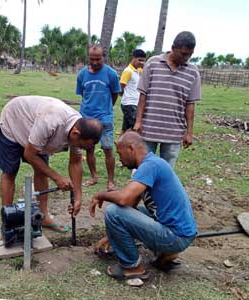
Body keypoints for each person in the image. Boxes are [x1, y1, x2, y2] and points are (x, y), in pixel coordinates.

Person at [89, 131, 197, 280]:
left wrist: (99, 195)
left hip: (175, 236)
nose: (120, 160)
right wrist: (110, 237)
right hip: (180, 232)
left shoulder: (150, 165)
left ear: (131, 149)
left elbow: (123, 199)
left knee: (113, 211)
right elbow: (130, 205)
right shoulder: (151, 164)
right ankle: (167, 254)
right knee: (124, 211)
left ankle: (132, 267)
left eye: (120, 154)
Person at [0, 95, 103, 232]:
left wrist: (78, 197)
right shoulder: (51, 121)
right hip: (14, 120)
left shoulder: (79, 130)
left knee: (41, 172)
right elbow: (29, 154)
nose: (81, 149)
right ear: (75, 134)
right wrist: (57, 177)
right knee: (10, 171)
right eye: (81, 146)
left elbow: (76, 162)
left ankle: (43, 217)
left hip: (37, 132)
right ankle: (8, 221)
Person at [133, 31, 201, 167]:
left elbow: (190, 104)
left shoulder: (193, 72)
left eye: (190, 54)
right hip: (149, 128)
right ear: (173, 48)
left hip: (174, 132)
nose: (186, 57)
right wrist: (138, 121)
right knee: (144, 167)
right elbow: (143, 95)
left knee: (166, 171)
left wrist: (189, 132)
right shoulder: (153, 63)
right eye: (183, 54)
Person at [76, 44, 121, 191]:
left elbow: (115, 94)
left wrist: (106, 108)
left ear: (104, 57)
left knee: (108, 149)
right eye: (92, 59)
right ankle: (94, 176)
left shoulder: (111, 74)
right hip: (86, 118)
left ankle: (110, 181)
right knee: (89, 148)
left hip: (104, 118)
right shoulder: (82, 74)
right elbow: (83, 94)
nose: (95, 62)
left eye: (98, 59)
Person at [119, 49, 146, 134]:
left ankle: (119, 142)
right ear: (133, 58)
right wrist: (126, 96)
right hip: (129, 104)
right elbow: (121, 87)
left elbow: (146, 73)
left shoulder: (139, 70)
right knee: (136, 127)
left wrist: (143, 66)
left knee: (125, 128)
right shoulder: (128, 71)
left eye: (143, 60)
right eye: (139, 60)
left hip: (135, 103)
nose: (141, 62)